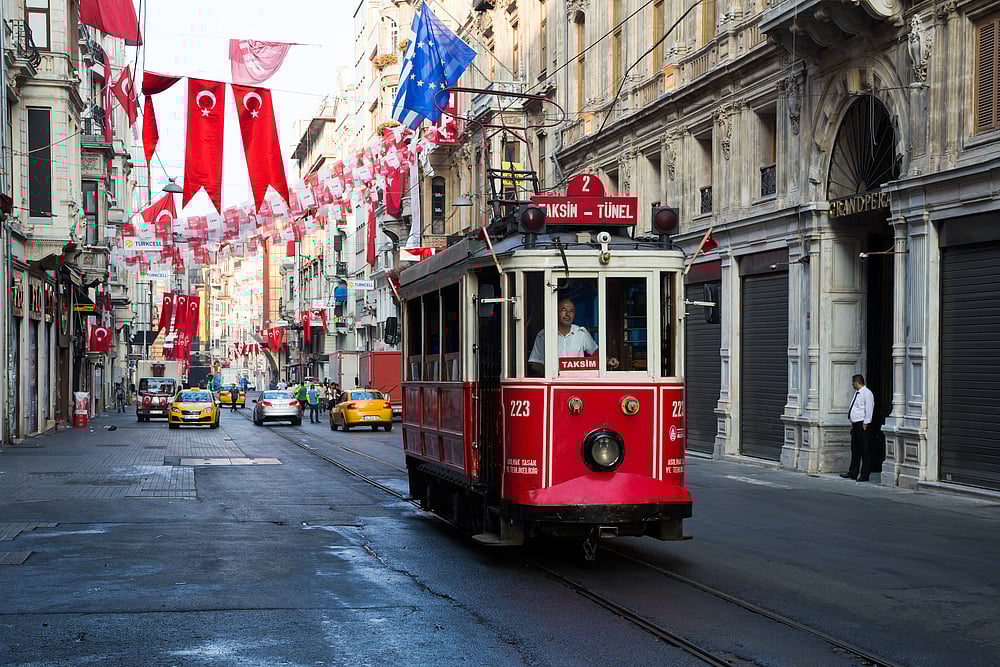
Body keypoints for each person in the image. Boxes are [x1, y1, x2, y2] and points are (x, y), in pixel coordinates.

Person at [528, 297, 599, 375]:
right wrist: (552, 373)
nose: (568, 314)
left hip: (576, 381)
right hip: (554, 382)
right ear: (556, 312)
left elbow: (595, 352)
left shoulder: (581, 333)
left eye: (571, 311)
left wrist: (608, 361)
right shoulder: (544, 335)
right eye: (564, 310)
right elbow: (535, 363)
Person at [841, 374, 876, 482]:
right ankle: (853, 472)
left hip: (862, 425)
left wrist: (866, 423)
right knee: (855, 449)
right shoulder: (857, 393)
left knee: (864, 450)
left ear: (856, 382)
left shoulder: (867, 393)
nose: (851, 384)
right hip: (855, 425)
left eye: (852, 382)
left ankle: (865, 474)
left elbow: (869, 408)